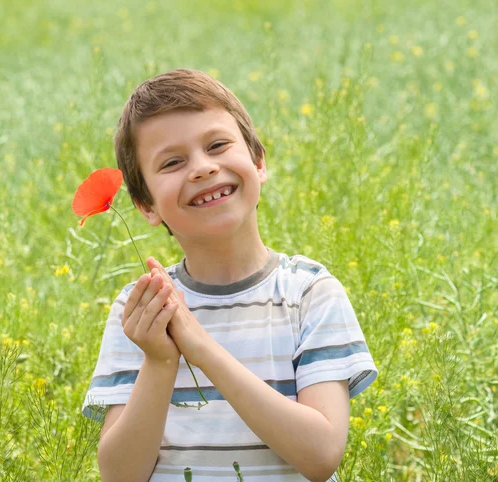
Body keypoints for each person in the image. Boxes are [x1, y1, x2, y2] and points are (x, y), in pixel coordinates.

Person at [82, 68, 378, 482]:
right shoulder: (139, 310)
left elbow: (321, 454)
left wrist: (200, 348)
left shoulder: (309, 293)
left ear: (258, 163)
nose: (202, 169)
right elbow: (120, 475)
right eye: (172, 162)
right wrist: (160, 358)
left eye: (218, 145)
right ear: (145, 205)